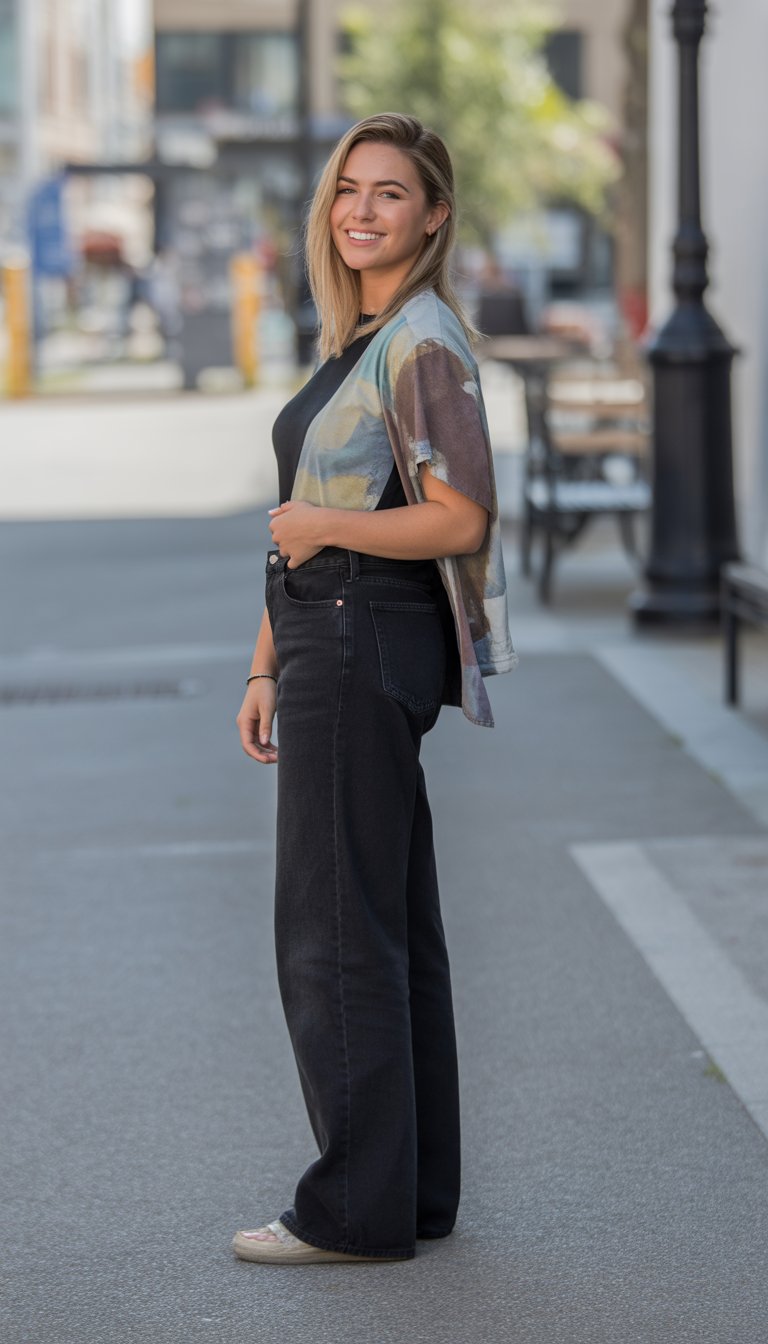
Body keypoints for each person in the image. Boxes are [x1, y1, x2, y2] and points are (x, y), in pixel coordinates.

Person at [233, 113, 518, 1265]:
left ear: (434, 214)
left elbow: (460, 514)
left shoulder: (422, 340)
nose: (360, 209)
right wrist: (261, 659)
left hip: (357, 634)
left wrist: (323, 532)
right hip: (326, 631)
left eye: (389, 193)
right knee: (388, 924)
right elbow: (297, 527)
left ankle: (353, 1211)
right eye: (348, 189)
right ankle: (413, 1194)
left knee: (334, 930)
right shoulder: (360, 338)